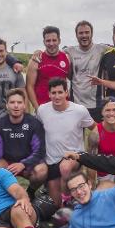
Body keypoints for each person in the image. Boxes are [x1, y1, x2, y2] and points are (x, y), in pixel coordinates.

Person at [36, 78, 95, 209]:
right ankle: (63, 202)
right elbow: (37, 131)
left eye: (60, 92)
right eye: (53, 93)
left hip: (74, 158)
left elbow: (95, 129)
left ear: (66, 92)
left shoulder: (80, 110)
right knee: (56, 206)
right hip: (52, 161)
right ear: (49, 94)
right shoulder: (42, 110)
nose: (57, 96)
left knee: (65, 168)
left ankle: (70, 199)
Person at [0, 89, 47, 198]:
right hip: (8, 163)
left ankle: (30, 192)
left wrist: (23, 164)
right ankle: (3, 194)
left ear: (24, 105)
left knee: (42, 170)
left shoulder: (34, 123)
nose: (16, 106)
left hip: (27, 164)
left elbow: (39, 151)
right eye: (12, 102)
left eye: (19, 102)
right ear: (7, 105)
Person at [64, 20, 109, 122]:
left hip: (97, 103)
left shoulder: (102, 49)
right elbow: (52, 52)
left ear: (91, 33)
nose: (84, 35)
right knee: (76, 137)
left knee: (99, 135)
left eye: (87, 32)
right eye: (81, 33)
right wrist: (38, 52)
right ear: (76, 35)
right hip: (76, 103)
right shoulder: (69, 51)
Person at [25, 26, 70, 111]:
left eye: (54, 40)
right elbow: (29, 86)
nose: (51, 43)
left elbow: (71, 79)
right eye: (48, 41)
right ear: (44, 42)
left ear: (59, 41)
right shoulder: (36, 60)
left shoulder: (66, 58)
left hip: (63, 108)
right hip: (42, 108)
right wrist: (37, 108)